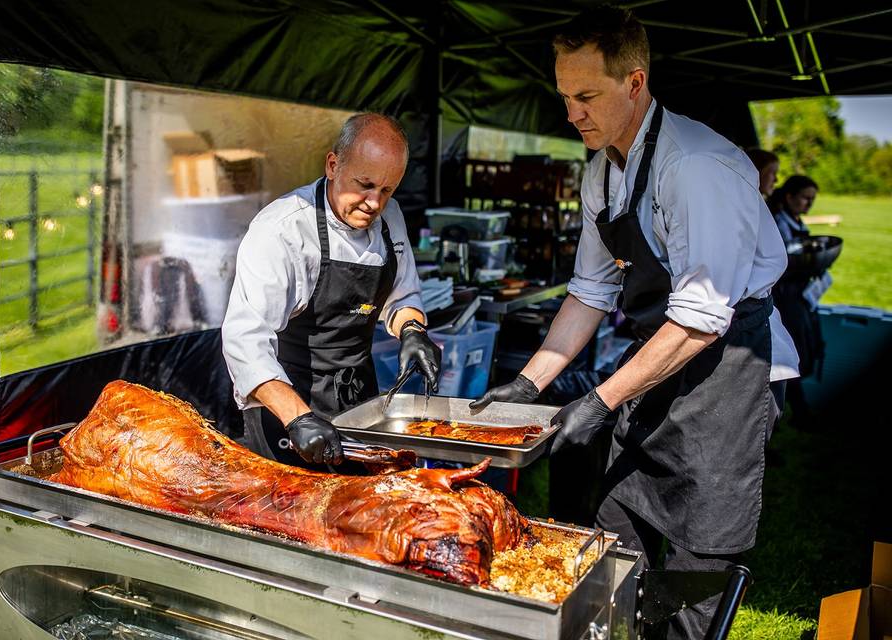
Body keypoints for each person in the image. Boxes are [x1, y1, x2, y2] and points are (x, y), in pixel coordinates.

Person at [469, 6, 798, 638]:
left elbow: (703, 317)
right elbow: (591, 291)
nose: (573, 115)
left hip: (727, 365)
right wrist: (531, 384)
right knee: (619, 517)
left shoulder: (695, 167)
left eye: (587, 96)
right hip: (657, 355)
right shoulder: (601, 170)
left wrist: (600, 399)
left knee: (702, 543)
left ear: (636, 83)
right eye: (565, 97)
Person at [222, 113, 441, 468]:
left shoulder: (391, 216)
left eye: (387, 190)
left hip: (359, 401)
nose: (374, 203)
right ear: (333, 164)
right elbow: (245, 339)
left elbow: (403, 297)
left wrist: (413, 331)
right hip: (288, 406)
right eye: (365, 185)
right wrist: (297, 418)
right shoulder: (282, 229)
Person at [768, 175, 828, 424]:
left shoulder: (795, 220)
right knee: (791, 351)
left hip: (800, 295)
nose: (808, 204)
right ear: (789, 196)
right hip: (785, 296)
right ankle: (797, 412)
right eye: (805, 198)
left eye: (812, 200)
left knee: (803, 348)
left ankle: (797, 410)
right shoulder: (779, 223)